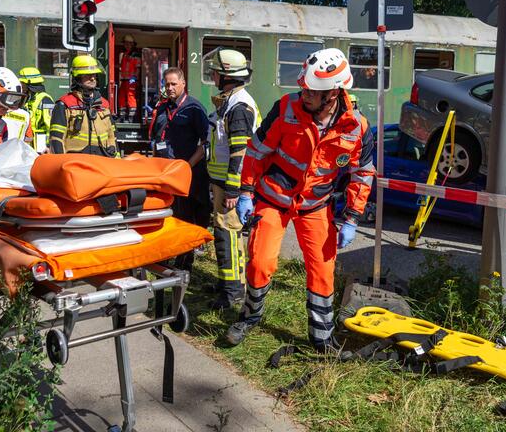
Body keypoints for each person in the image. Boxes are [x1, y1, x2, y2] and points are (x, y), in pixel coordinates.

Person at [224, 48, 375, 352]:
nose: (303, 93)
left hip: (315, 206)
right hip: (273, 198)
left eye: (311, 90)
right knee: (260, 263)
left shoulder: (357, 127)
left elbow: (362, 175)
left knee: (322, 269)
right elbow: (256, 152)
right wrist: (245, 192)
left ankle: (321, 337)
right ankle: (250, 317)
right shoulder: (285, 108)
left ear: (333, 93)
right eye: (303, 87)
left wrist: (352, 218)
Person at [204, 49, 260, 310]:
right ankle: (230, 285)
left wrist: (233, 190)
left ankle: (232, 293)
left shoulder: (239, 107)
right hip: (223, 183)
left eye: (215, 72)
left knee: (228, 236)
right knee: (225, 234)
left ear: (225, 75)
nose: (212, 75)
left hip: (230, 186)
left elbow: (241, 152)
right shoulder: (231, 101)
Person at [151, 67, 210, 253]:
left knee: (197, 205)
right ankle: (178, 243)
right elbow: (156, 136)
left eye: (173, 84)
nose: (169, 88)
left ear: (183, 84)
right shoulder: (162, 108)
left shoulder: (194, 108)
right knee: (175, 208)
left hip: (189, 170)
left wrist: (188, 166)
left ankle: (198, 241)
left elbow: (206, 142)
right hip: (167, 170)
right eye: (166, 84)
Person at [49, 55, 118, 156]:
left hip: (102, 161)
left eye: (94, 74)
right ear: (77, 78)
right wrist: (61, 163)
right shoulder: (64, 105)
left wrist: (113, 148)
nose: (92, 78)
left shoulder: (104, 104)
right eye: (87, 75)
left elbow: (112, 134)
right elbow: (56, 139)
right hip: (75, 162)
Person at [18, 66, 55, 153]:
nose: (20, 85)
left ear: (29, 84)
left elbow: (51, 125)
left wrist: (49, 146)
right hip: (29, 145)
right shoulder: (28, 98)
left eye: (22, 83)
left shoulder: (45, 99)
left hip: (41, 146)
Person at [118, 34, 141, 123]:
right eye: (125, 43)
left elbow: (138, 68)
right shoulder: (124, 54)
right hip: (124, 80)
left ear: (132, 44)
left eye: (128, 43)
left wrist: (134, 79)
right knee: (122, 97)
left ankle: (131, 118)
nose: (126, 45)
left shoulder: (136, 55)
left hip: (131, 80)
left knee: (130, 97)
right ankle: (122, 116)